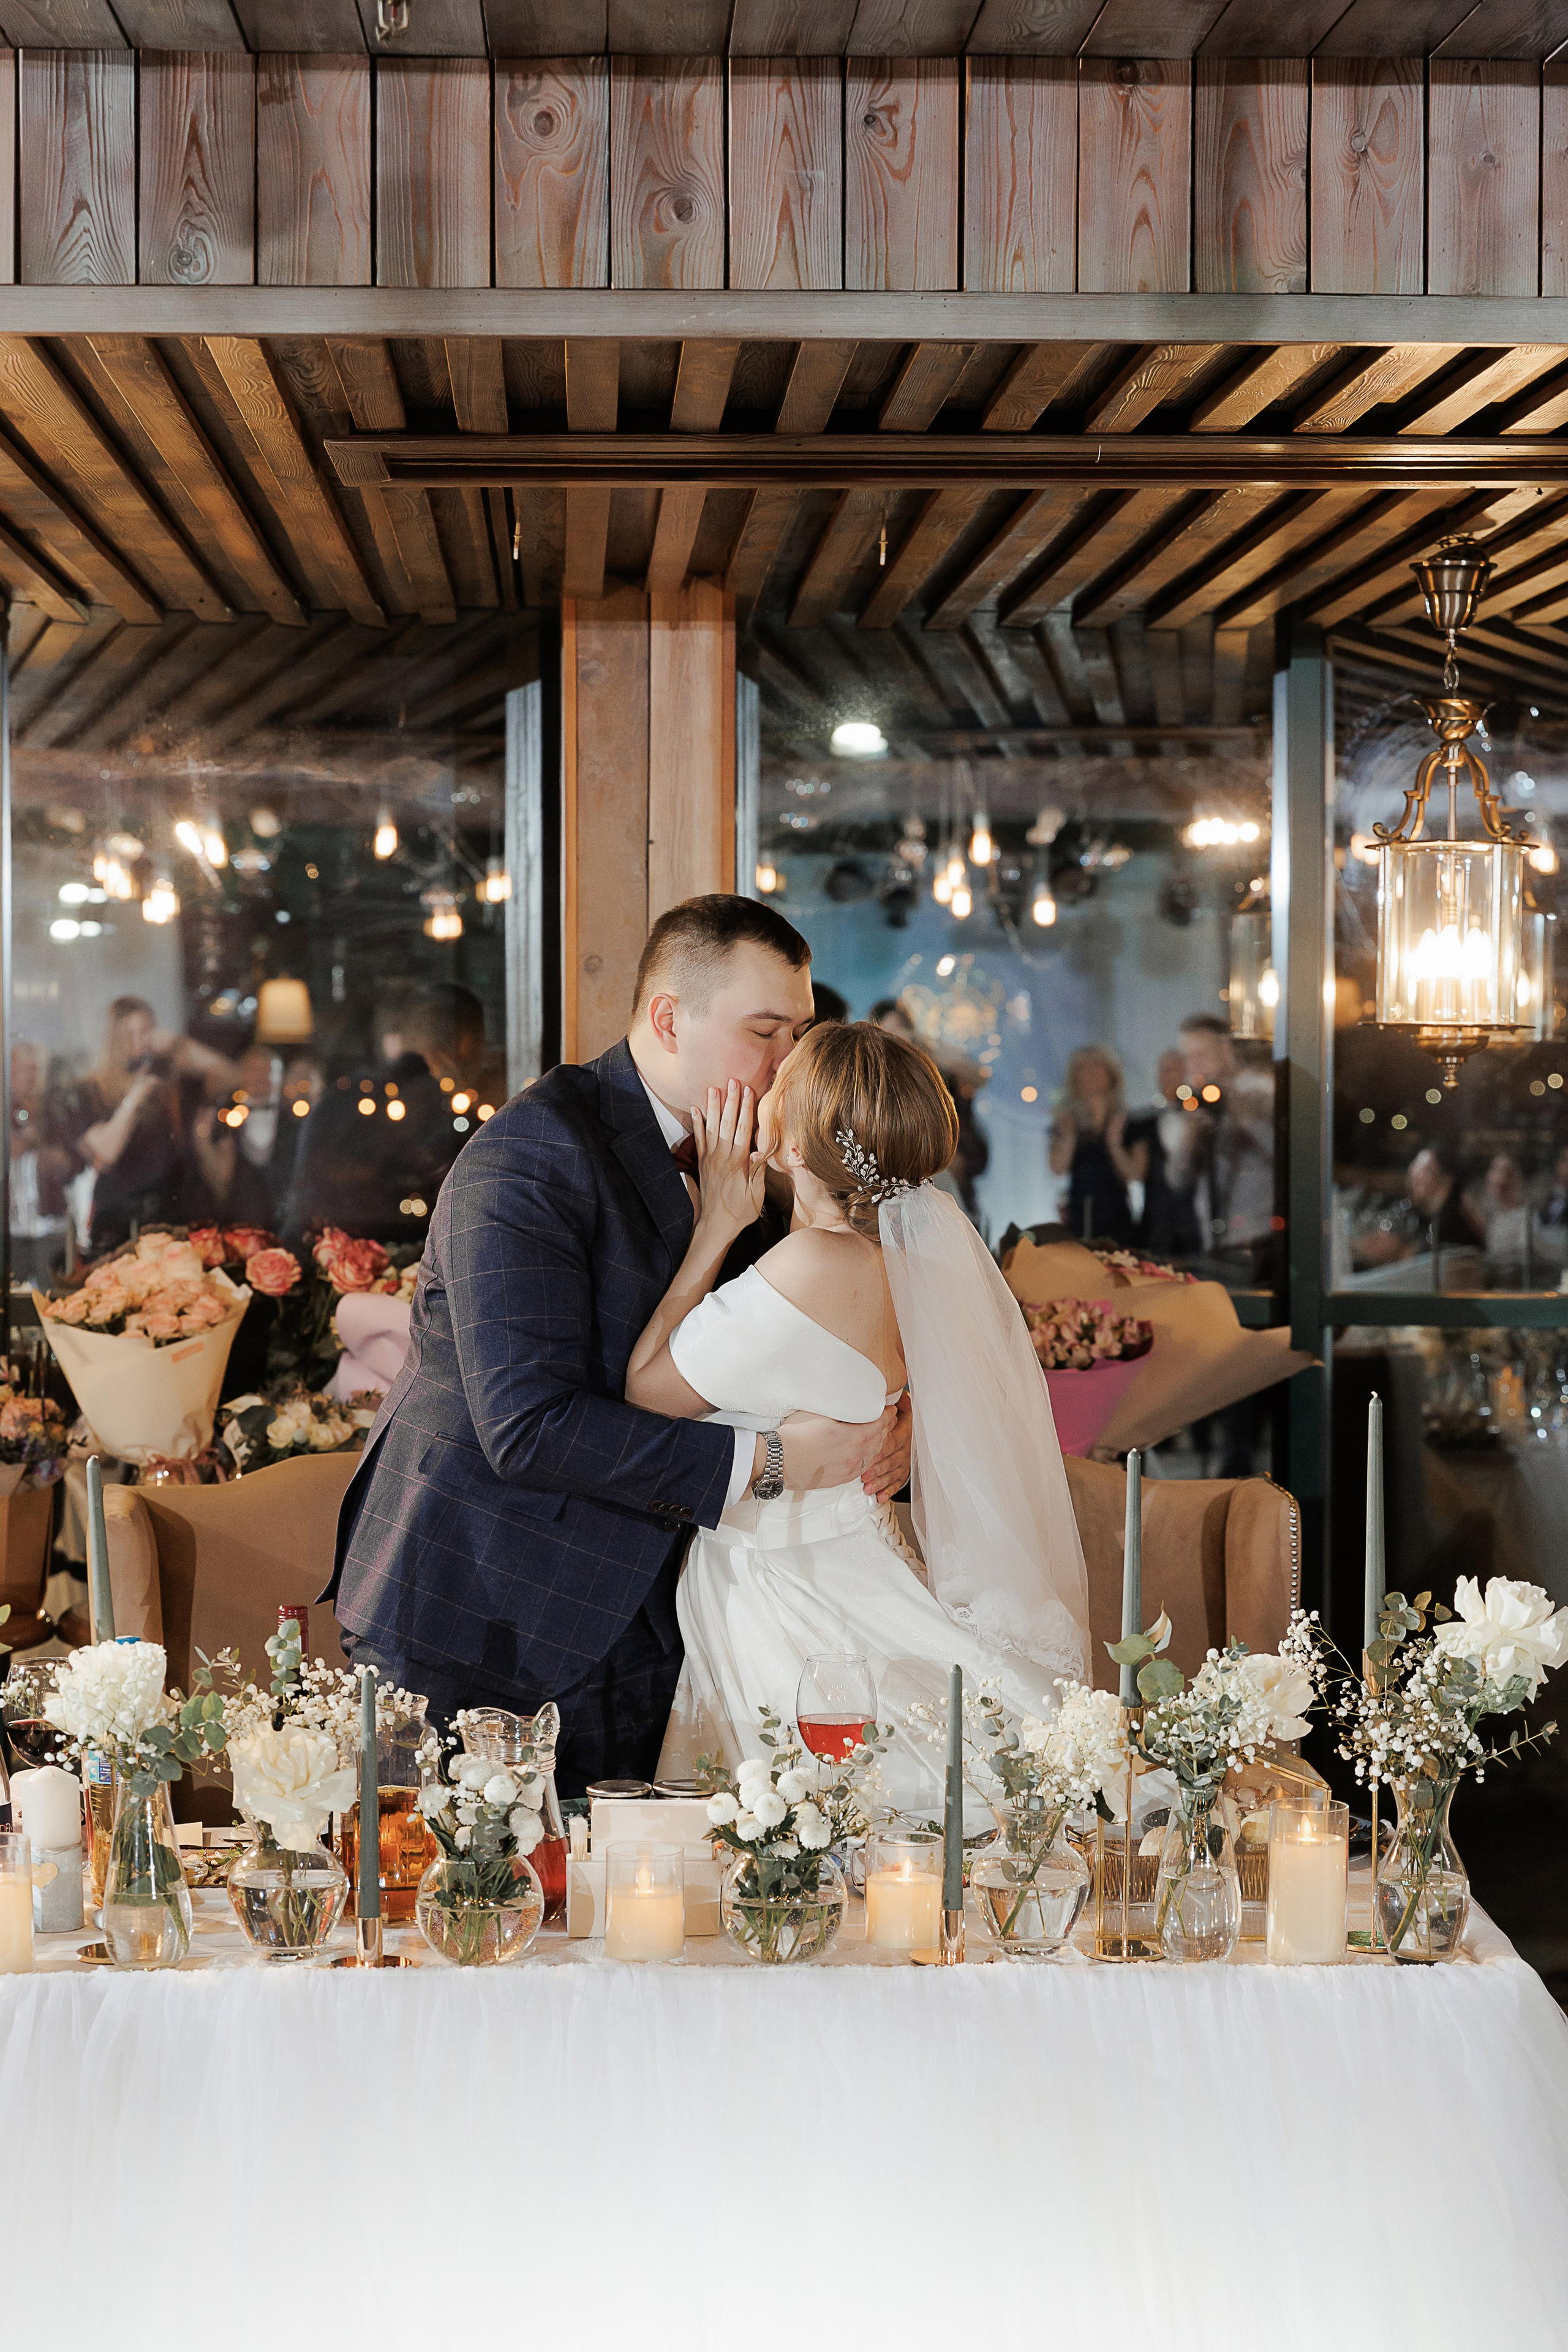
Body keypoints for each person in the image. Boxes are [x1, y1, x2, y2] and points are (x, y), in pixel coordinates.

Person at [329, 895, 912, 1792]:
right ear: (668, 1019)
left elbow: (800, 1332)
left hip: (670, 1618)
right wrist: (770, 1462)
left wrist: (886, 1424)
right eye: (765, 1032)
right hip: (485, 1610)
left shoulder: (767, 1157)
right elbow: (528, 1427)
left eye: (801, 1033)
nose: (789, 1064)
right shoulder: (529, 1157)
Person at [629, 1019, 1090, 1809]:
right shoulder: (904, 1265)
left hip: (787, 1591)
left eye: (781, 1085)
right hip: (852, 1558)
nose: (762, 1089)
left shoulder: (809, 1263)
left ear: (800, 1150)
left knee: (821, 1815)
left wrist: (714, 1229)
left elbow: (648, 1389)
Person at [282, 984, 488, 1245]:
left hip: (315, 1254)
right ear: (466, 1045)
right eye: (484, 1044)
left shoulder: (344, 1095)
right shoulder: (447, 1108)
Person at [58, 996, 236, 1256]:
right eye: (131, 1034)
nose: (142, 1042)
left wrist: (180, 1045)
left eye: (147, 1032)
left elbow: (231, 1076)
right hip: (121, 1223)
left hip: (175, 1215)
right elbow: (107, 1152)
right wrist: (135, 1096)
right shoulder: (89, 1092)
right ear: (114, 1039)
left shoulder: (171, 1084)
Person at [872, 994, 990, 1218]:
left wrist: (926, 1050)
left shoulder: (932, 1055)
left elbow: (979, 1076)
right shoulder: (879, 1076)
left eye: (901, 1030)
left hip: (956, 1145)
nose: (899, 1039)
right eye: (889, 1034)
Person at [1049, 1044, 1142, 1245]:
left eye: (1097, 1067)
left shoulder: (1128, 1120)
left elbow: (1135, 1174)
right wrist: (1070, 1136)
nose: (1090, 1074)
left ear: (1111, 1074)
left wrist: (1114, 1143)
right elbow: (1058, 1168)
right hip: (1079, 1212)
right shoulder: (1065, 1120)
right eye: (1084, 1069)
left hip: (1116, 1213)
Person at [1124, 1047, 1201, 1258]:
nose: (1170, 1076)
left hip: (1197, 1224)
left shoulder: (1203, 1117)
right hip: (1156, 1225)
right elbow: (1139, 1173)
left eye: (1177, 1069)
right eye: (1165, 1070)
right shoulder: (1143, 1121)